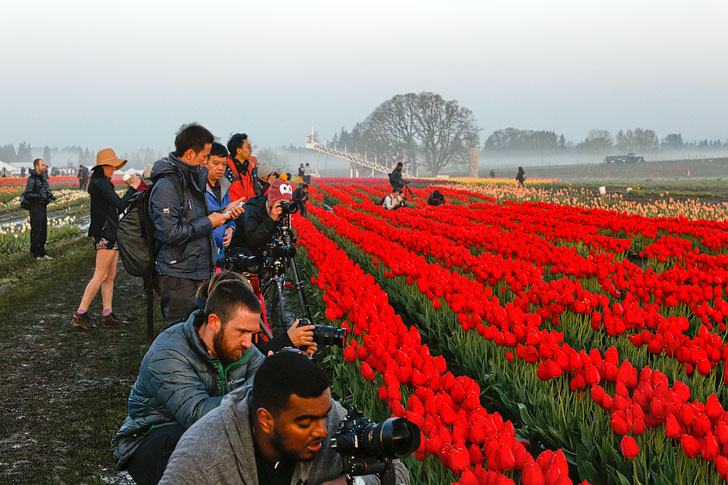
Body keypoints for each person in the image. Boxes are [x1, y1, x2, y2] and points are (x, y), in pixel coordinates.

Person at [159, 351, 410, 485]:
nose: (322, 431)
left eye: (323, 416)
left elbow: (396, 471)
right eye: (305, 423)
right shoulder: (203, 455)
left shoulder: (328, 415)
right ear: (266, 420)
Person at [111, 279, 266, 485]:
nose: (248, 342)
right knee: (193, 443)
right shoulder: (169, 351)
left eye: (252, 333)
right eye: (241, 331)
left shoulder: (242, 349)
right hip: (151, 435)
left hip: (214, 429)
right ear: (214, 322)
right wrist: (262, 388)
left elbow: (265, 383)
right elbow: (198, 415)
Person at [150, 123, 244, 323]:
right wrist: (210, 222)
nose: (207, 163)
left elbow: (195, 219)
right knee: (179, 330)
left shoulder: (192, 180)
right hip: (178, 273)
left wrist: (224, 215)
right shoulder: (167, 185)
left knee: (198, 328)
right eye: (205, 157)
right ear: (191, 154)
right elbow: (168, 233)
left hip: (199, 267)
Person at [71, 149, 141, 329]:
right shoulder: (101, 183)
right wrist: (133, 187)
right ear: (102, 166)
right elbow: (119, 205)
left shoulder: (102, 182)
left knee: (110, 275)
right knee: (100, 274)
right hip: (105, 232)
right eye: (111, 166)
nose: (114, 169)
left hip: (109, 231)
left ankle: (107, 313)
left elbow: (117, 206)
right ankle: (80, 314)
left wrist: (130, 191)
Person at [230, 178, 292, 257]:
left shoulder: (278, 211)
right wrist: (271, 219)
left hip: (260, 248)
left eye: (287, 203)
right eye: (281, 202)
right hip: (242, 250)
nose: (283, 207)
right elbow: (253, 240)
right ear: (271, 200)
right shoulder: (253, 208)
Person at [204, 142, 243, 264]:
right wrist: (224, 213)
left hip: (220, 255)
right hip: (202, 256)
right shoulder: (198, 188)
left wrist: (231, 228)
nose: (220, 168)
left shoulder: (224, 187)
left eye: (224, 164)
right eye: (216, 163)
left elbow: (228, 216)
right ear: (205, 162)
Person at [23, 158, 55, 259]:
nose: (45, 166)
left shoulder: (43, 178)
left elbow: (46, 190)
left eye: (45, 165)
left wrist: (50, 196)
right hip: (35, 207)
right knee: (36, 230)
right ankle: (35, 253)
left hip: (43, 206)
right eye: (42, 165)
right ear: (36, 167)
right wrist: (40, 196)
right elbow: (28, 194)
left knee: (43, 230)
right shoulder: (32, 179)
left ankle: (42, 251)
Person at [225, 133, 258, 202]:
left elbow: (257, 192)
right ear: (239, 150)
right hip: (233, 211)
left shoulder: (250, 169)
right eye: (248, 147)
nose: (251, 150)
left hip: (250, 210)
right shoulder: (225, 169)